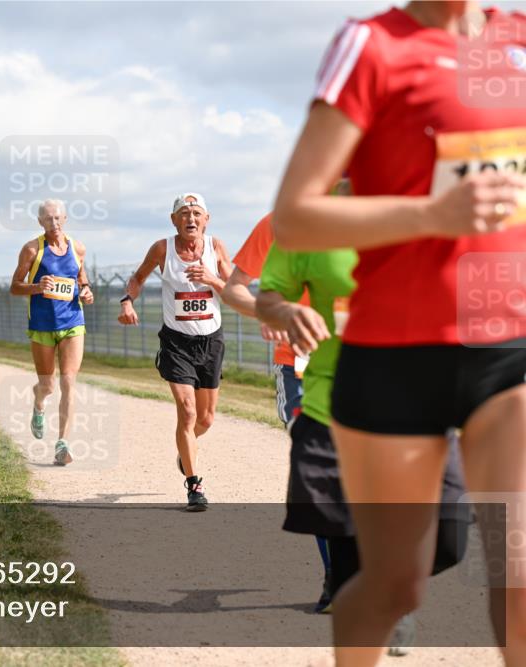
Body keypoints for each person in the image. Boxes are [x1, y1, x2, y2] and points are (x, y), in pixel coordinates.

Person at [272, 2, 526, 663]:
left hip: (505, 348)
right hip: (395, 355)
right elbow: (296, 215)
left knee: (520, 577)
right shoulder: (373, 45)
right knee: (395, 584)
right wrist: (432, 213)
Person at [255, 232, 471, 657]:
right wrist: (286, 310)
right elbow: (268, 296)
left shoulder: (429, 214)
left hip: (422, 401)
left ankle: (391, 591)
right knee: (348, 557)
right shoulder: (313, 224)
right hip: (333, 403)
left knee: (451, 536)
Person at [222, 211, 335, 611]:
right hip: (300, 366)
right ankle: (337, 579)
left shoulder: (381, 216)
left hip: (367, 363)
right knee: (319, 469)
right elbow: (235, 288)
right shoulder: (278, 223)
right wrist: (267, 312)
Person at [118, 193, 232, 508]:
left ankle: (187, 451)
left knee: (206, 419)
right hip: (176, 342)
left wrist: (212, 278)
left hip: (211, 341)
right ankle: (194, 485)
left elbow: (234, 290)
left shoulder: (216, 247)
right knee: (188, 411)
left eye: (196, 213)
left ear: (206, 219)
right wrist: (127, 300)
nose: (190, 219)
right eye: (184, 213)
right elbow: (137, 279)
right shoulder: (162, 249)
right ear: (174, 220)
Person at [9, 199, 94, 466]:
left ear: (65, 219)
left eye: (57, 218)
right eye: (48, 219)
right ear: (40, 222)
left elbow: (82, 281)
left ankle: (62, 444)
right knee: (48, 384)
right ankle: (38, 403)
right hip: (43, 325)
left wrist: (87, 292)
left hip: (72, 322)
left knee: (69, 381)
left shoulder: (77, 248)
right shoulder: (32, 250)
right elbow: (14, 286)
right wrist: (36, 287)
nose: (54, 223)